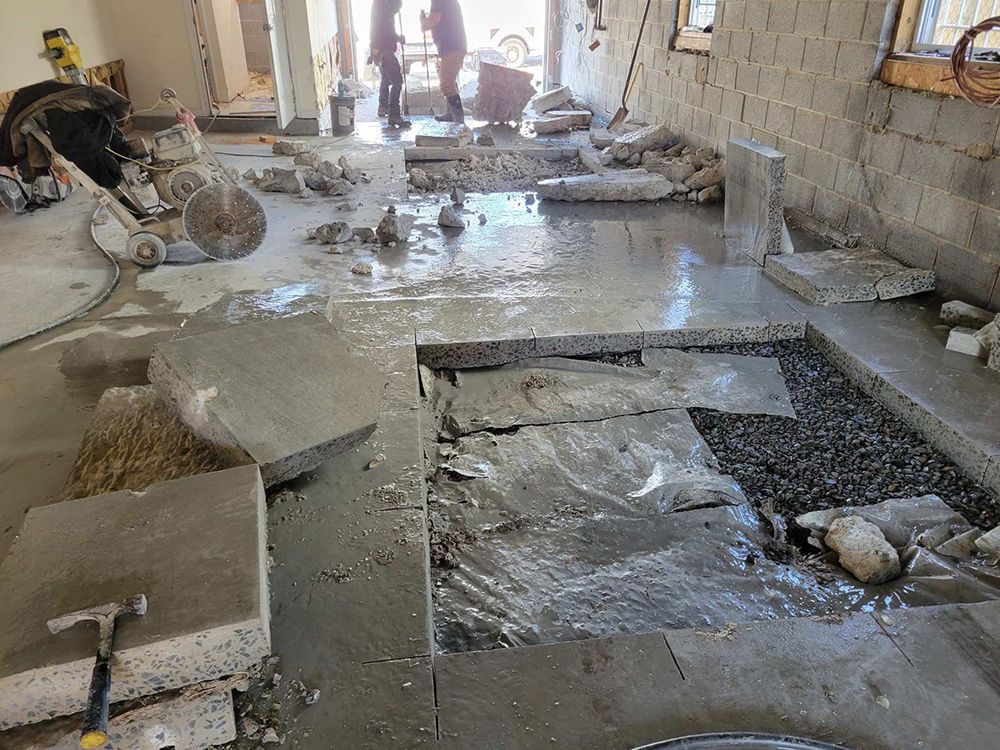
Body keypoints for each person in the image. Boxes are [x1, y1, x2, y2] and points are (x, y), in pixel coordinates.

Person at [420, 0, 467, 124]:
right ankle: (451, 114)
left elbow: (433, 20)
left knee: (446, 84)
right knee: (449, 81)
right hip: (453, 45)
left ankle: (459, 121)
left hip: (452, 46)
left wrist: (423, 21)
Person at [370, 0, 410, 128]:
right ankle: (394, 114)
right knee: (397, 81)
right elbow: (386, 30)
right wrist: (398, 38)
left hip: (379, 49)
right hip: (384, 49)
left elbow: (383, 29)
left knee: (386, 79)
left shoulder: (380, 5)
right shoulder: (384, 7)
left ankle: (383, 106)